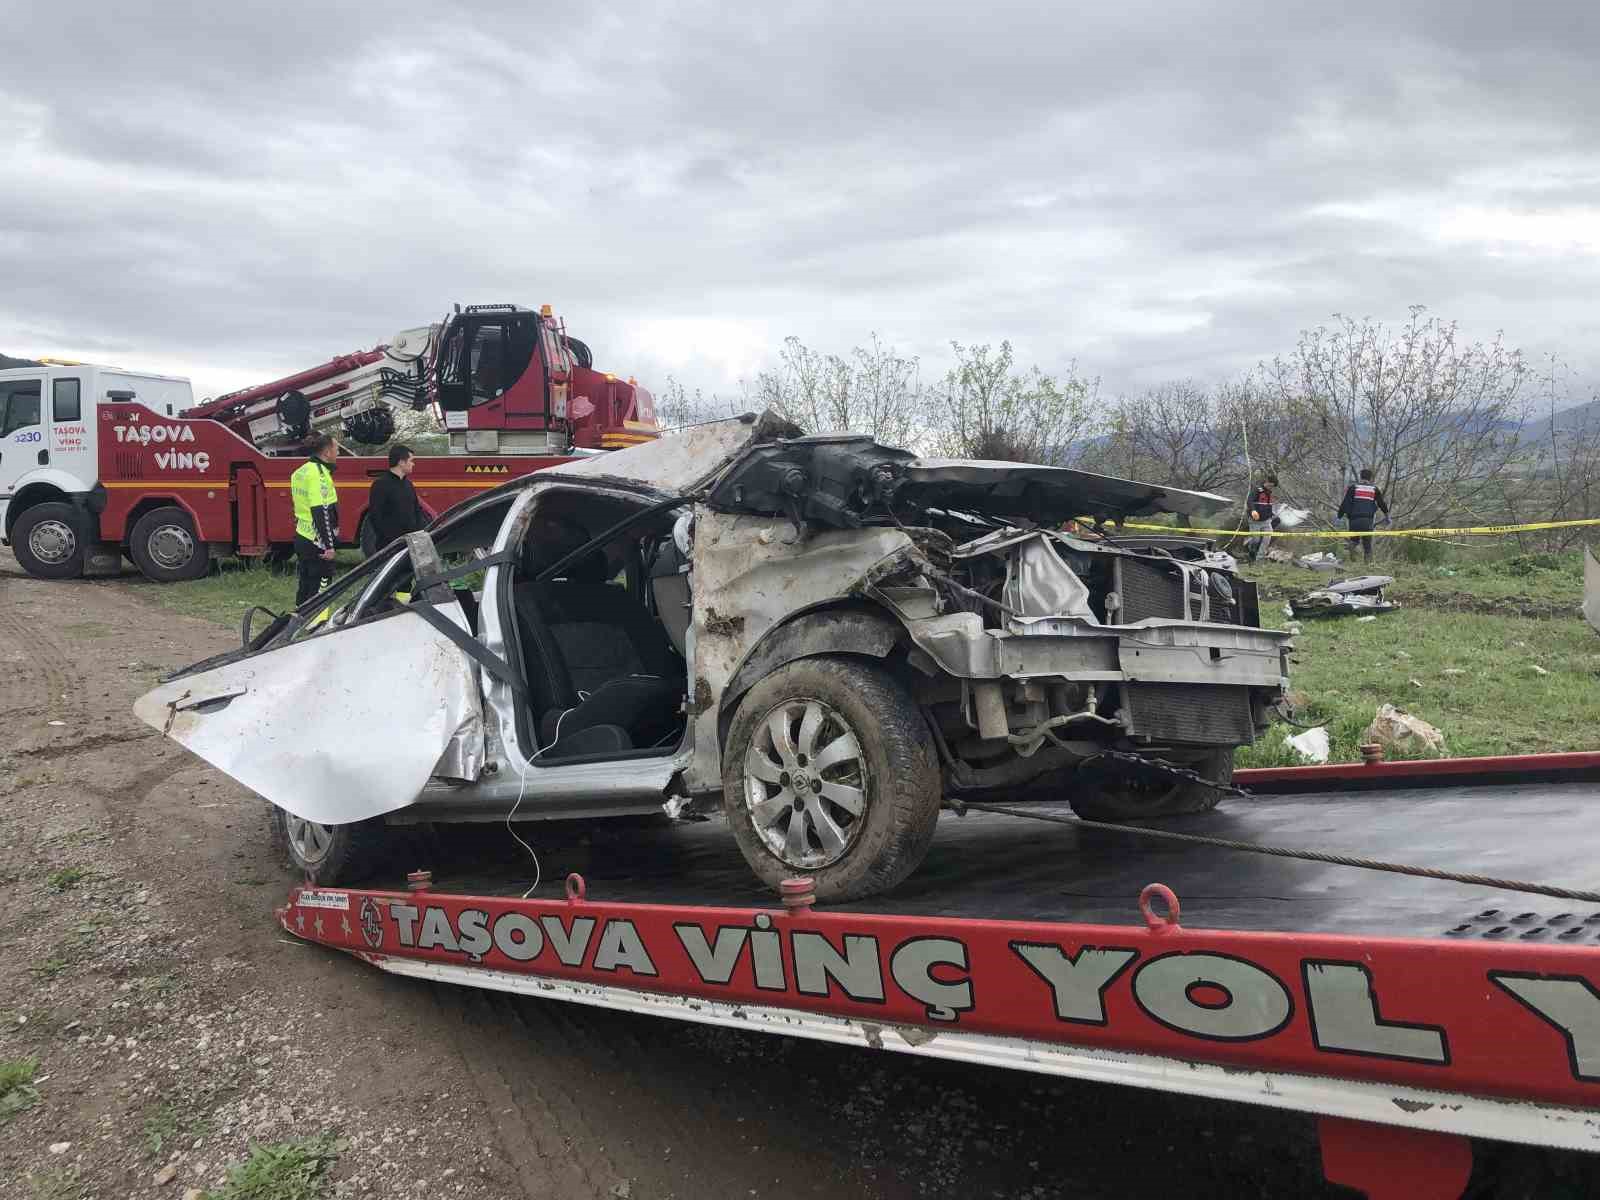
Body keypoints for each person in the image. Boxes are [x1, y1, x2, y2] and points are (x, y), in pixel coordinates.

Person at [290, 434, 340, 606]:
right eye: (336, 448)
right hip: (316, 542)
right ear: (327, 452)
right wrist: (329, 545)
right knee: (322, 586)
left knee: (305, 583)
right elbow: (321, 512)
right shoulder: (319, 475)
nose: (338, 452)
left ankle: (297, 619)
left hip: (302, 536)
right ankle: (316, 625)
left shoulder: (300, 472)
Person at [366, 444, 427, 553]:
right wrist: (392, 540)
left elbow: (417, 511)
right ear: (401, 462)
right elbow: (375, 517)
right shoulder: (380, 485)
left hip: (410, 546)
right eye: (411, 460)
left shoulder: (409, 484)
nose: (413, 464)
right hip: (389, 547)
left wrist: (419, 533)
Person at [1337, 468, 1390, 564]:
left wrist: (1339, 517)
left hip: (1354, 520)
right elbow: (1381, 503)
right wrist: (1387, 516)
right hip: (1367, 521)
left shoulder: (1353, 488)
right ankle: (1367, 566)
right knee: (1367, 546)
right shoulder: (1374, 489)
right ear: (1370, 478)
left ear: (1360, 477)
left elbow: (1345, 503)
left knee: (1354, 540)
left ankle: (1351, 547)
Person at [1243, 473, 1279, 564]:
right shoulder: (1256, 490)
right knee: (1256, 540)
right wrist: (1253, 511)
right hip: (1255, 521)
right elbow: (1249, 501)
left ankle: (1259, 559)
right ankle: (1250, 551)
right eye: (1271, 485)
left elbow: (1268, 506)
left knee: (1267, 539)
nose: (1271, 488)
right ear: (1267, 482)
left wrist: (1272, 515)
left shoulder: (1270, 493)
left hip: (1266, 521)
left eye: (1273, 487)